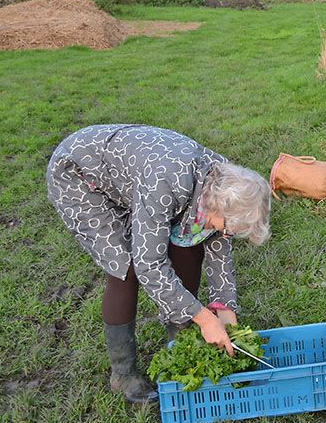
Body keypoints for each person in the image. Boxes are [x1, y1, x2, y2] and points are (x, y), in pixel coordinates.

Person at [45, 124, 271, 404]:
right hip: (81, 173)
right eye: (229, 227)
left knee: (189, 246)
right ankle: (123, 374)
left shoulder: (225, 182)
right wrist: (203, 316)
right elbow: (148, 264)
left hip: (137, 177)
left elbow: (218, 249)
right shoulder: (168, 184)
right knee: (125, 267)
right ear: (216, 207)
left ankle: (180, 336)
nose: (228, 235)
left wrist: (225, 310)